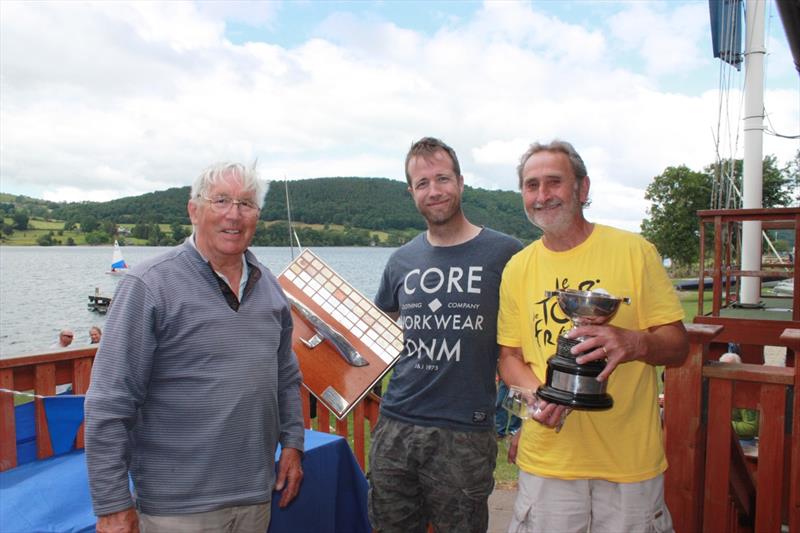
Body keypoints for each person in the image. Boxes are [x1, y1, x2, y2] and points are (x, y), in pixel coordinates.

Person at [85, 162, 305, 533]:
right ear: (194, 209)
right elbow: (110, 400)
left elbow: (285, 376)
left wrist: (294, 444)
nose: (233, 215)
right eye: (220, 200)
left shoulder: (270, 287)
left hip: (254, 497)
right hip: (176, 509)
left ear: (257, 216)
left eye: (246, 204)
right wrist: (112, 505)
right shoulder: (148, 285)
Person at [497, 140, 689, 533]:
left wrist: (634, 342)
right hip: (549, 460)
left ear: (582, 190)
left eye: (554, 182)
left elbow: (678, 345)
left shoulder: (635, 251)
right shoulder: (518, 267)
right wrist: (540, 396)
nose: (542, 195)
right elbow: (509, 357)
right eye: (531, 186)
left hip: (628, 463)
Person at [368, 137, 522, 533]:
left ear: (461, 182)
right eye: (422, 183)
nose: (433, 191)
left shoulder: (506, 253)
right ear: (411, 193)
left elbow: (525, 343)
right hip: (395, 424)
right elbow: (377, 331)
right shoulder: (400, 259)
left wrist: (522, 421)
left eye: (442, 179)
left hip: (465, 430)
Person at [719, 352, 760, 440]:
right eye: (723, 368)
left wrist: (721, 424)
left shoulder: (746, 392)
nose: (726, 372)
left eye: (731, 369)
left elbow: (751, 427)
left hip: (741, 440)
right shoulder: (716, 386)